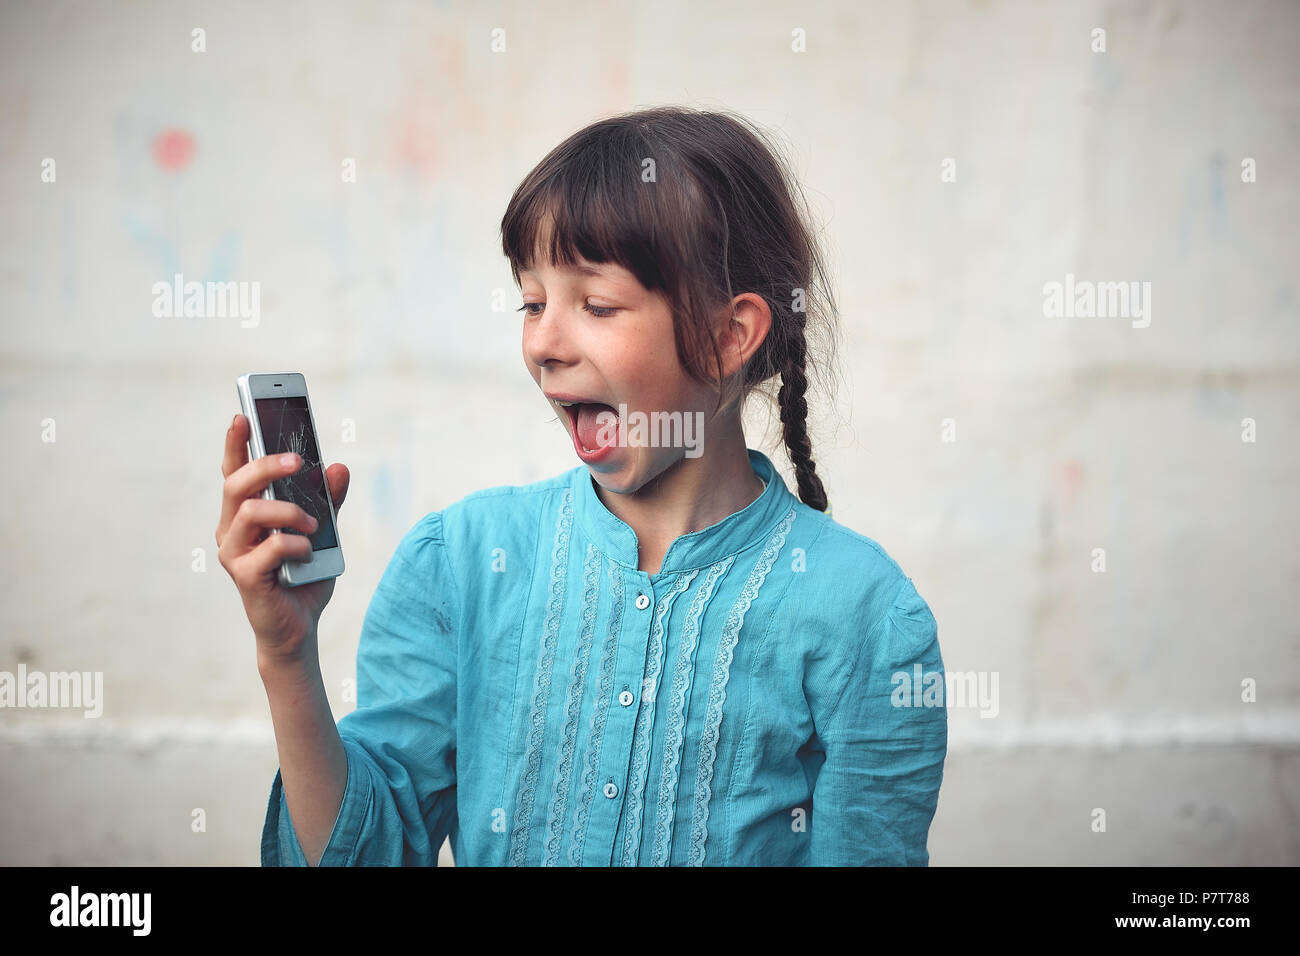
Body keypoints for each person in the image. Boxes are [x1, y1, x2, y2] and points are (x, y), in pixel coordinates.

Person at [217, 105, 947, 866]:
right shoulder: (460, 562)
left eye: (596, 305)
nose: (542, 343)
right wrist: (286, 654)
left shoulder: (867, 615)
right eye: (531, 303)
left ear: (731, 336)